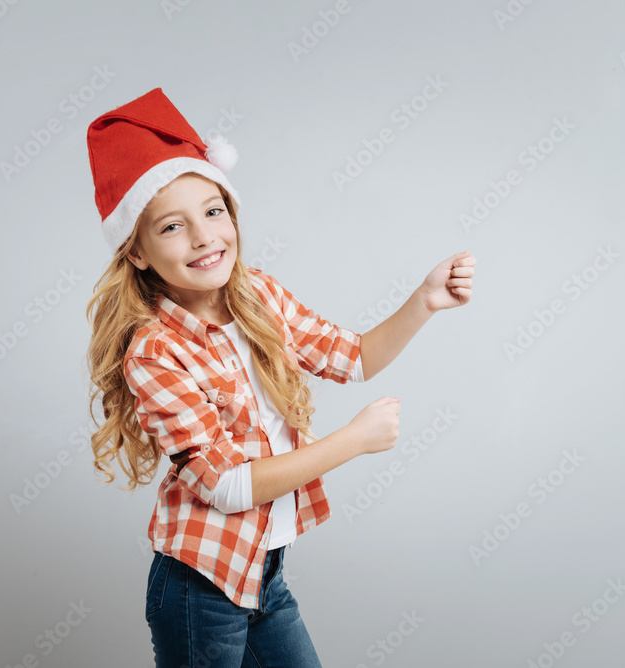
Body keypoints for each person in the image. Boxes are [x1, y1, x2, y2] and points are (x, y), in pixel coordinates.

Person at [82, 87, 476, 667]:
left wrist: (425, 300)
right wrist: (350, 443)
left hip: (263, 573)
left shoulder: (259, 297)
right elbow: (226, 486)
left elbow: (355, 357)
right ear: (136, 252)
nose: (203, 237)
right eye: (171, 227)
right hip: (200, 587)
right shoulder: (154, 351)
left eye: (213, 212)